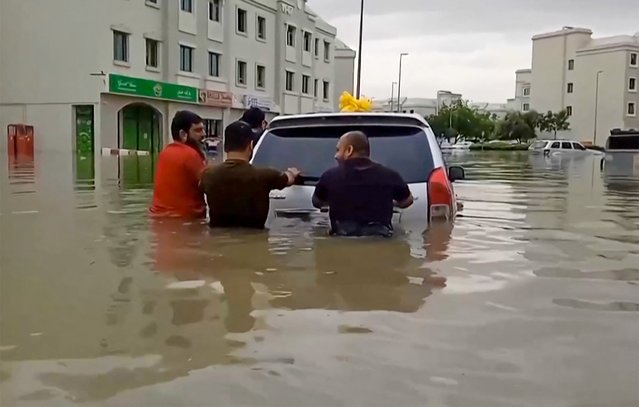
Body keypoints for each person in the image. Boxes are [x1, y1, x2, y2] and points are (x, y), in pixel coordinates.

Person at [312, 131, 414, 237]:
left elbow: (317, 201)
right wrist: (390, 202)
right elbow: (407, 201)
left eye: (338, 150)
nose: (335, 156)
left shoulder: (329, 177)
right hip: (380, 241)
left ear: (349, 150)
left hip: (342, 242)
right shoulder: (390, 175)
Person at [201, 120, 301, 229]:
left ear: (225, 147)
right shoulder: (265, 176)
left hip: (218, 241)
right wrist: (292, 172)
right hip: (255, 240)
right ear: (250, 145)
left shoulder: (208, 175)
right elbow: (289, 179)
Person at [149, 110, 207, 218]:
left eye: (203, 129)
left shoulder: (165, 153)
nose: (204, 134)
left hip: (159, 218)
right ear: (183, 134)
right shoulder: (191, 155)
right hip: (186, 220)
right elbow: (210, 186)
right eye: (198, 130)